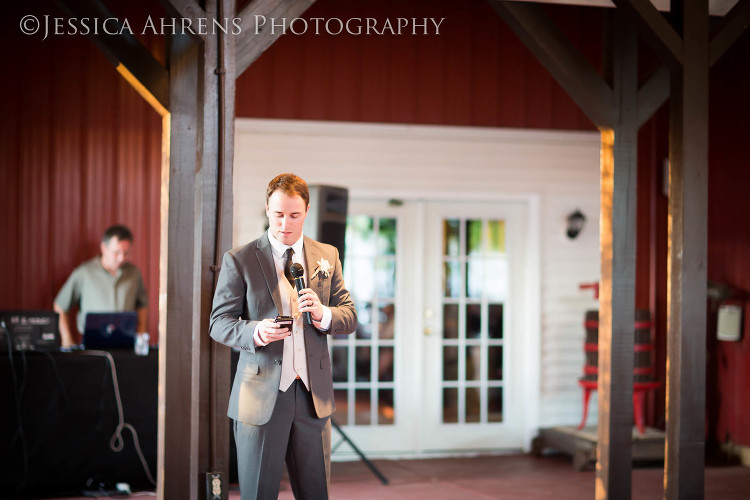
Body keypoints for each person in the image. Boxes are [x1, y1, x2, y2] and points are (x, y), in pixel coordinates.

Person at [210, 173, 357, 500]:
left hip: (312, 398)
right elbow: (218, 323)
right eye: (277, 214)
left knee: (315, 493)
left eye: (294, 215)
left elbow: (349, 315)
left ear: (306, 210)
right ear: (266, 210)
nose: (285, 224)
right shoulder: (241, 259)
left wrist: (324, 314)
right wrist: (255, 331)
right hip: (261, 395)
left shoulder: (326, 256)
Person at [53, 224, 148, 348]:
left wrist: (140, 336)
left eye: (126, 253)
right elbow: (60, 305)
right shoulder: (84, 273)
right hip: (92, 346)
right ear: (104, 248)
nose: (121, 258)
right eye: (116, 252)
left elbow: (142, 305)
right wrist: (66, 339)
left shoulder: (134, 273)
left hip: (126, 345)